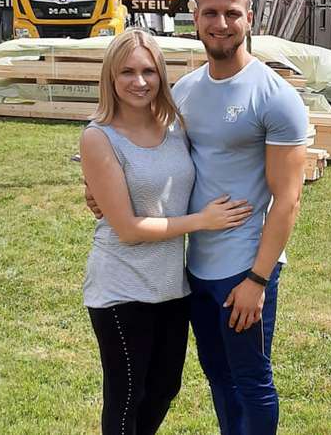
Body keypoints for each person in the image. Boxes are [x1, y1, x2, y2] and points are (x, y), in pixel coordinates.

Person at [88, 0, 308, 434]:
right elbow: (146, 151)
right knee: (218, 377)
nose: (221, 24)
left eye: (232, 13)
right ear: (195, 14)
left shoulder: (275, 97)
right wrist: (99, 189)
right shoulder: (185, 92)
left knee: (251, 381)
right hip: (194, 270)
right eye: (210, 13)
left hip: (243, 267)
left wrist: (257, 279)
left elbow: (288, 200)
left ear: (249, 17)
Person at [80, 28, 254, 435]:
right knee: (127, 397)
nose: (139, 82)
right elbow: (127, 228)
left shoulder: (175, 127)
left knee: (163, 389)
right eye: (127, 72)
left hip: (171, 288)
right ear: (110, 77)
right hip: (122, 287)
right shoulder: (99, 136)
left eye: (148, 71)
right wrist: (201, 221)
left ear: (161, 74)